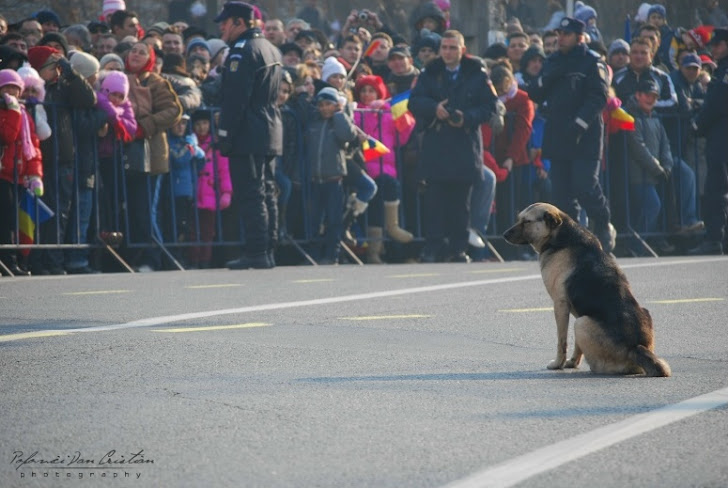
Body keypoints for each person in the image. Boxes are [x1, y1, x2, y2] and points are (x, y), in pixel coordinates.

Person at [409, 30, 501, 263]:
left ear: (462, 50)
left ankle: (458, 248)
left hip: (463, 144)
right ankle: (433, 247)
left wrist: (466, 117)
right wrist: (434, 108)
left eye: (452, 48)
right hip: (437, 144)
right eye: (444, 48)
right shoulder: (430, 72)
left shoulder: (477, 74)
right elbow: (415, 102)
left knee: (461, 203)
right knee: (434, 201)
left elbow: (490, 107)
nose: (448, 52)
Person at [527, 17, 614, 253]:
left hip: (584, 135)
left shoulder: (592, 62)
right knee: (562, 194)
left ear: (579, 37)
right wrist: (548, 76)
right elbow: (534, 92)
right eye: (559, 34)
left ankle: (603, 224)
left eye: (566, 34)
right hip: (558, 135)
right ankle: (574, 238)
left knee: (584, 185)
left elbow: (598, 97)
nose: (560, 38)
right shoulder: (553, 61)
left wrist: (579, 124)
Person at [215, 1, 283, 270]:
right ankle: (267, 249)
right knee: (266, 192)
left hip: (248, 130)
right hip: (269, 128)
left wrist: (225, 135)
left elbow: (235, 100)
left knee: (252, 194)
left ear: (239, 23)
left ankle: (256, 251)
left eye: (225, 22)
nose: (222, 27)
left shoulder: (242, 51)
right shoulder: (269, 47)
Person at [27, 45, 97, 275]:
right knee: (38, 213)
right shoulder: (33, 89)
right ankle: (35, 260)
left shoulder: (64, 86)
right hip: (38, 159)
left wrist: (70, 71)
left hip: (63, 159)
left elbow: (89, 99)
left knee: (60, 213)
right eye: (52, 67)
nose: (57, 72)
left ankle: (54, 261)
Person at [125, 41, 183, 271]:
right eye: (133, 51)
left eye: (142, 52)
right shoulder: (120, 79)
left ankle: (156, 258)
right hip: (126, 153)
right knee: (132, 209)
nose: (137, 54)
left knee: (146, 208)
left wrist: (145, 126)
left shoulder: (157, 82)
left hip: (152, 154)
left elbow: (174, 111)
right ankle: (139, 257)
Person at [352, 74, 414, 264]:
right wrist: (370, 112)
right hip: (367, 165)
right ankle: (374, 251)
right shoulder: (356, 112)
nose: (367, 94)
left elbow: (403, 136)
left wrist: (388, 110)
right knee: (375, 206)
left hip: (387, 166)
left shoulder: (388, 112)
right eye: (363, 90)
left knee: (390, 189)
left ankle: (392, 228)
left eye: (371, 90)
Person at [619, 78, 674, 255]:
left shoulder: (656, 117)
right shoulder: (630, 116)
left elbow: (666, 144)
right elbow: (637, 147)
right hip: (637, 175)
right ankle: (636, 245)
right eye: (647, 95)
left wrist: (667, 165)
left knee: (650, 207)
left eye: (654, 96)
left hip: (653, 175)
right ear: (638, 95)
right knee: (652, 205)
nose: (651, 99)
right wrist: (658, 169)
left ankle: (639, 244)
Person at [305, 87, 358, 264]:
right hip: (316, 180)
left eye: (329, 104)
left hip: (334, 179)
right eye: (321, 105)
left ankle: (332, 254)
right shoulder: (314, 123)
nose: (325, 108)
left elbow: (348, 135)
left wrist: (339, 113)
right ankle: (314, 254)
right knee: (315, 220)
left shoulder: (338, 122)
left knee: (334, 220)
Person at [0, 69, 43, 276]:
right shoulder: (11, 112)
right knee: (5, 220)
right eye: (6, 87)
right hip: (2, 174)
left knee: (17, 221)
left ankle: (17, 260)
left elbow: (33, 145)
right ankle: (7, 261)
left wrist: (35, 174)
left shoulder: (25, 114)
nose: (10, 92)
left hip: (18, 175)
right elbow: (7, 136)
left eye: (15, 88)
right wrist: (13, 112)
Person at [689, 28, 728, 255]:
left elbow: (716, 103)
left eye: (718, 44)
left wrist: (698, 124)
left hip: (721, 136)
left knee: (716, 188)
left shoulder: (724, 72)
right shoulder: (720, 69)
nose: (713, 48)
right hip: (720, 135)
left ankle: (714, 238)